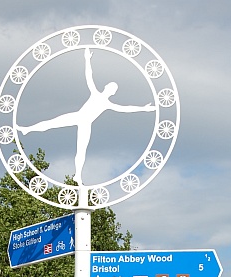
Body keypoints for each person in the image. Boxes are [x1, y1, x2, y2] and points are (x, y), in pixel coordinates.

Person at [17, 47, 155, 185]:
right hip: (78, 116)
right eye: (110, 87)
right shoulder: (95, 93)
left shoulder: (107, 103)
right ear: (106, 86)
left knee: (81, 150)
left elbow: (126, 109)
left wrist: (144, 108)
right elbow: (89, 76)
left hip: (85, 124)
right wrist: (87, 59)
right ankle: (27, 129)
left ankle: (77, 175)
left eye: (113, 89)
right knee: (50, 123)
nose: (110, 89)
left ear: (113, 93)